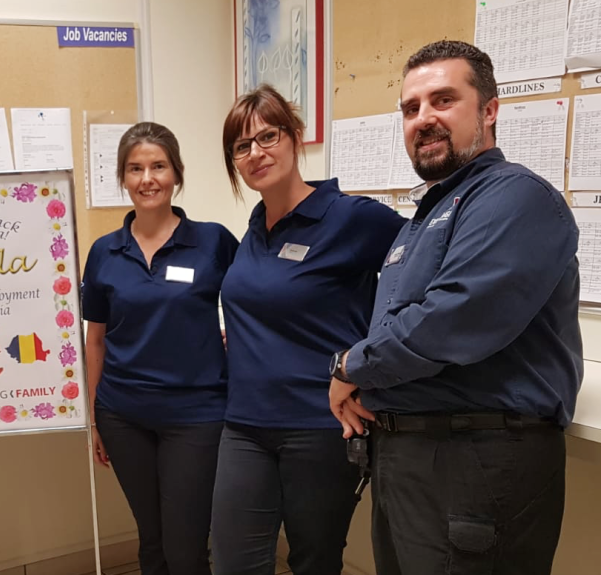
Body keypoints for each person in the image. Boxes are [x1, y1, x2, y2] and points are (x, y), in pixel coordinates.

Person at [329, 40, 582, 575]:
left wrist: (350, 367)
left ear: (489, 110)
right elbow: (397, 322)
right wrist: (364, 377)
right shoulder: (421, 220)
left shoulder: (516, 198)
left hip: (476, 458)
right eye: (411, 107)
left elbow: (450, 319)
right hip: (409, 459)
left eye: (443, 100)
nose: (424, 118)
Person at [211, 86, 406, 575]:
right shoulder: (255, 226)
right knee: (234, 562)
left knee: (314, 563)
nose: (256, 152)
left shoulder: (350, 218)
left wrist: (369, 359)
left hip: (320, 427)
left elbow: (423, 273)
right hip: (244, 425)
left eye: (268, 136)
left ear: (295, 137)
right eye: (241, 145)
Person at [82, 122, 238, 575]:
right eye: (135, 168)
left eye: (157, 166)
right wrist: (95, 417)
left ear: (176, 174)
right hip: (123, 415)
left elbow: (254, 304)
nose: (146, 178)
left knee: (186, 548)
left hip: (197, 417)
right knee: (151, 543)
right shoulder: (104, 252)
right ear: (123, 178)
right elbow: (97, 339)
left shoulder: (212, 242)